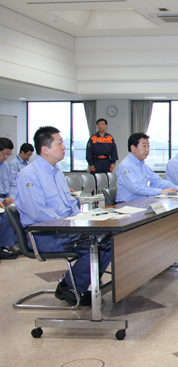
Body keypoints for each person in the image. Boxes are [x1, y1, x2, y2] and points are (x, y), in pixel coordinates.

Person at [15, 126, 110, 305]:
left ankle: (75, 284)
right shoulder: (28, 175)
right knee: (94, 243)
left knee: (108, 238)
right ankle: (72, 287)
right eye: (59, 143)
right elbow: (37, 212)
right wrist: (71, 224)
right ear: (45, 149)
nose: (64, 147)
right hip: (44, 234)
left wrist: (82, 220)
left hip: (64, 228)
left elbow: (69, 203)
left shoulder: (56, 171)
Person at [116, 133, 178, 203]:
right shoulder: (126, 165)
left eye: (148, 146)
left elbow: (157, 181)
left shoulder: (143, 165)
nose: (147, 150)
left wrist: (177, 188)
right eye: (144, 146)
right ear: (133, 148)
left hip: (142, 203)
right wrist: (161, 192)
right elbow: (136, 188)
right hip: (127, 205)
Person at [0, 138, 19, 259]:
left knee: (20, 211)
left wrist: (11, 197)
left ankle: (15, 243)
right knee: (6, 216)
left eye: (9, 154)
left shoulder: (6, 166)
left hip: (6, 198)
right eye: (4, 154)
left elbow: (13, 184)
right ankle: (4, 246)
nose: (6, 157)